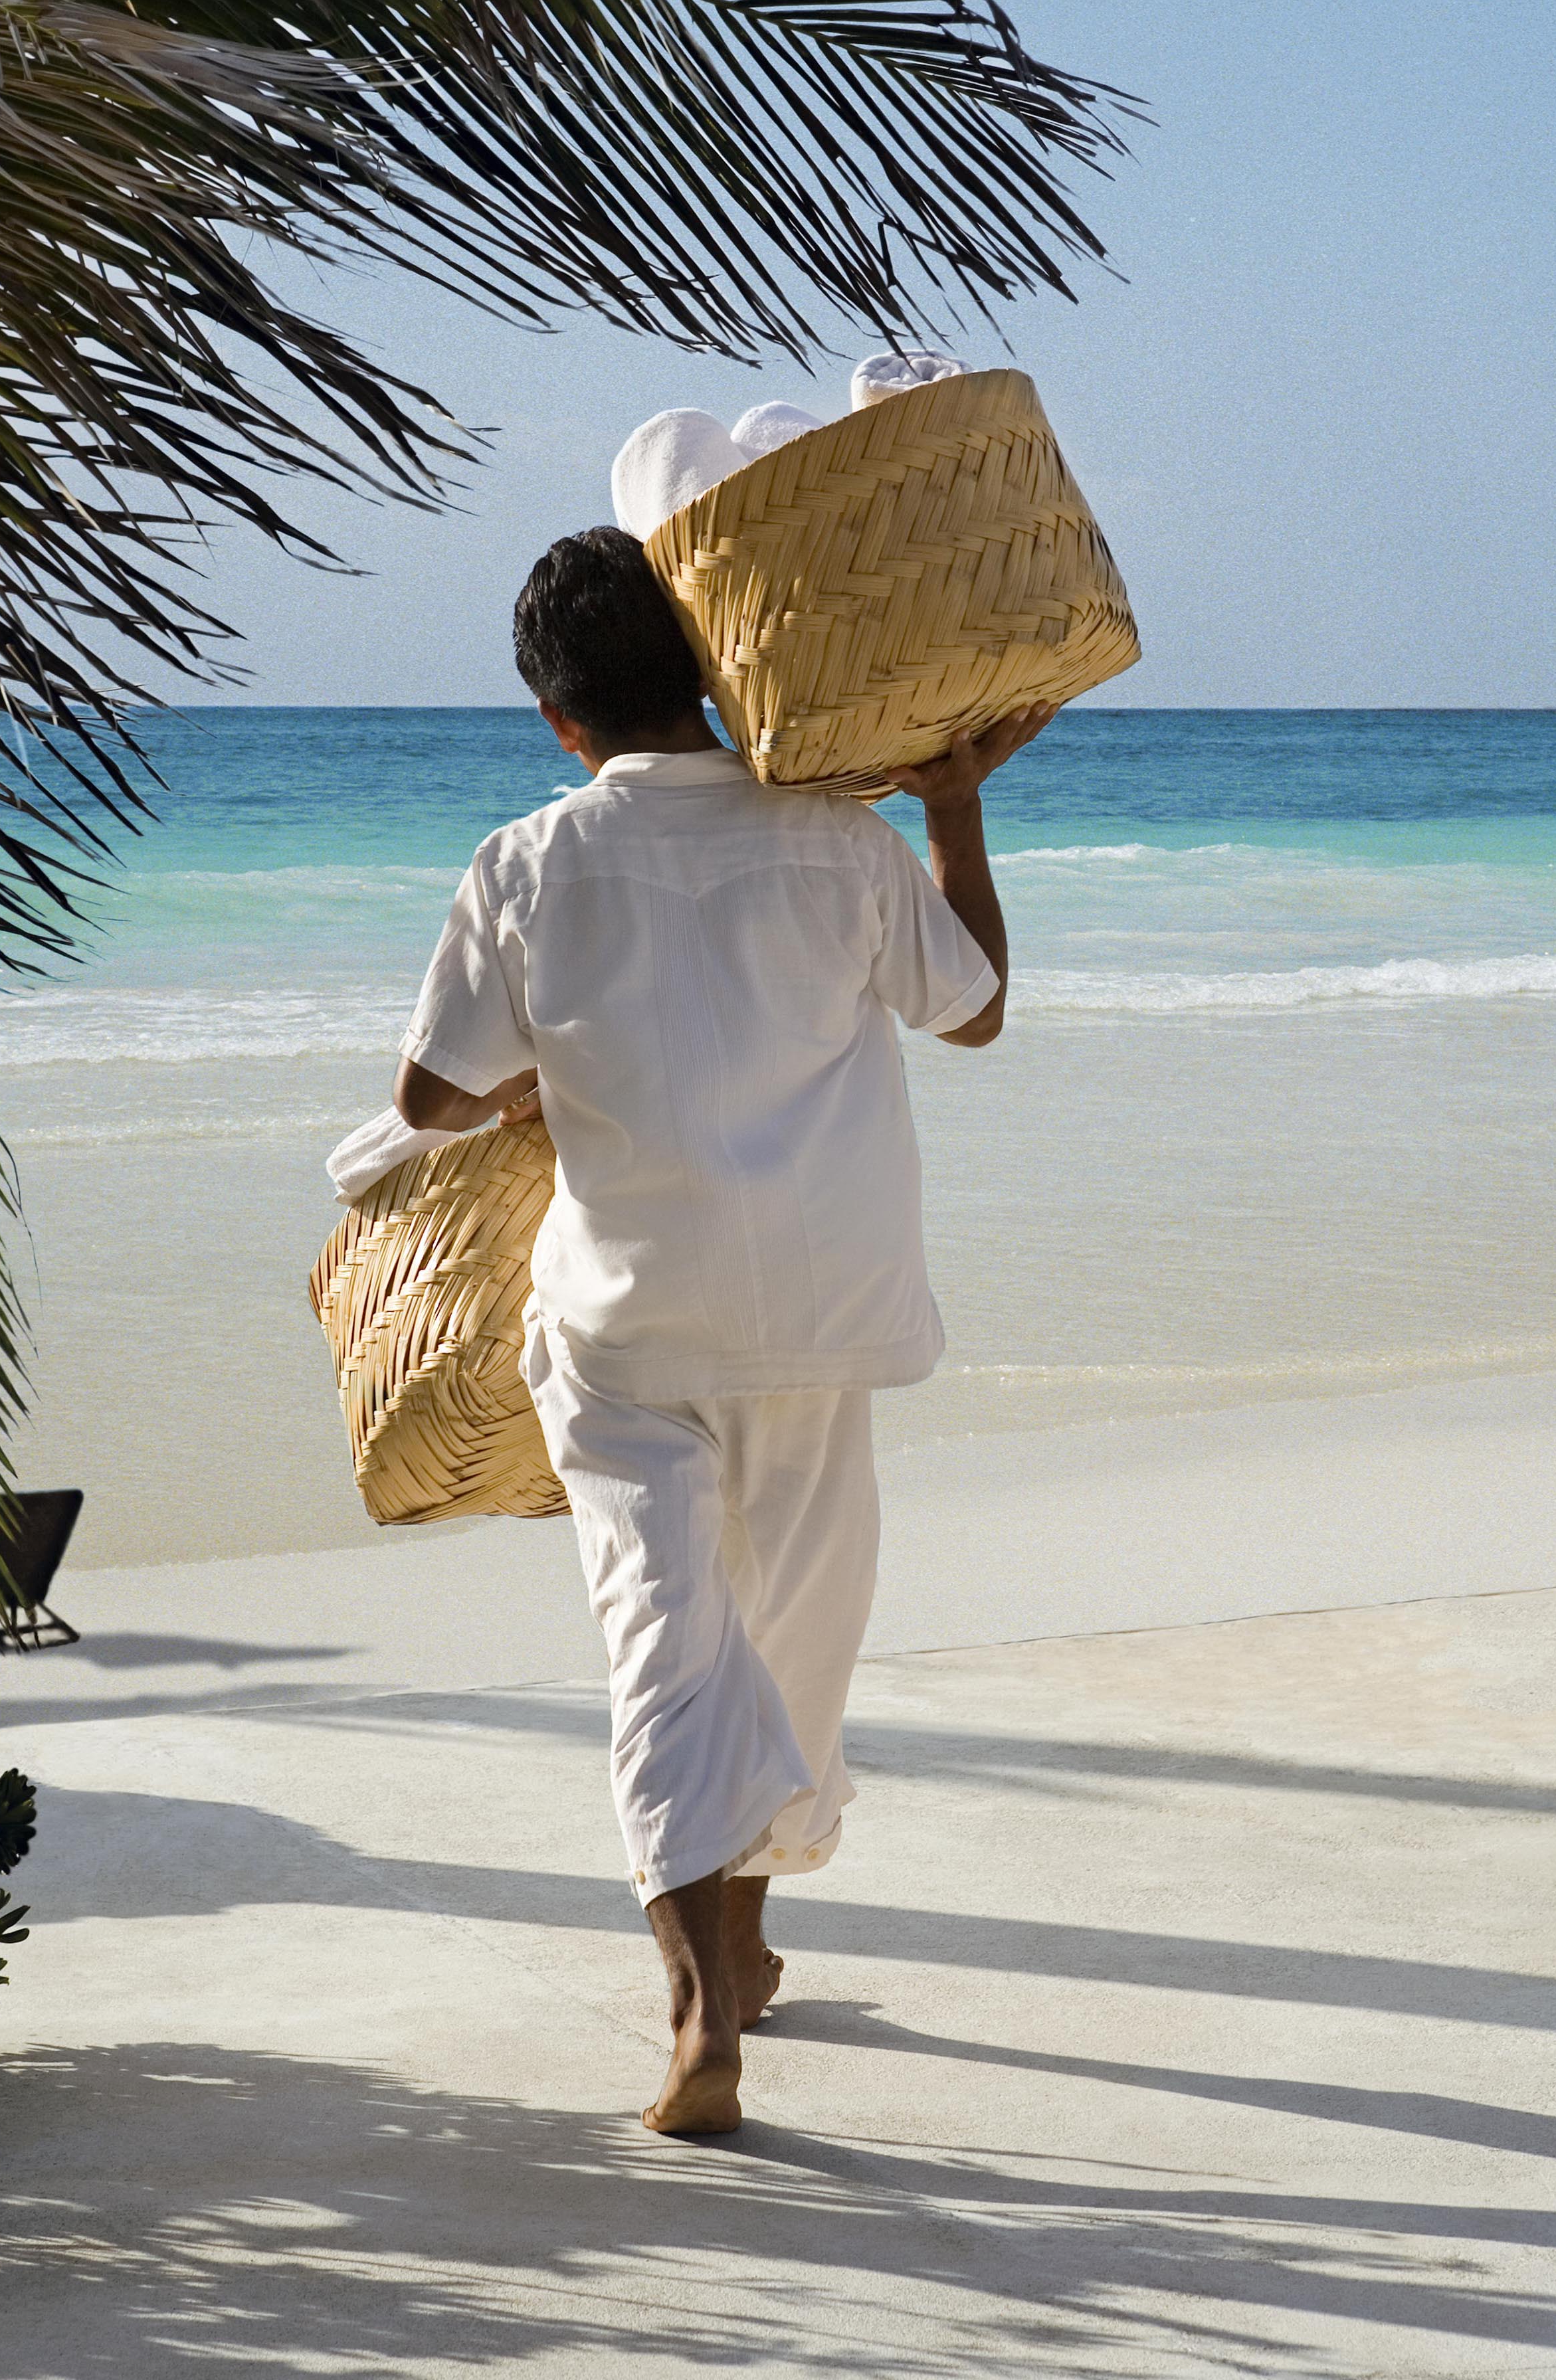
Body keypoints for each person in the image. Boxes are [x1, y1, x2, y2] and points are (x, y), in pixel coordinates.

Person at [394, 525, 1051, 2136]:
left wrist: (542, 1070)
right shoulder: (832, 839)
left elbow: (425, 1095)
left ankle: (701, 2005)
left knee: (663, 1640)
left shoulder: (526, 862)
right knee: (792, 1632)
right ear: (703, 668)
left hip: (627, 1323)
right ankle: (740, 1959)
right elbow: (973, 1006)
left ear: (559, 719)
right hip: (824, 1311)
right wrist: (950, 802)